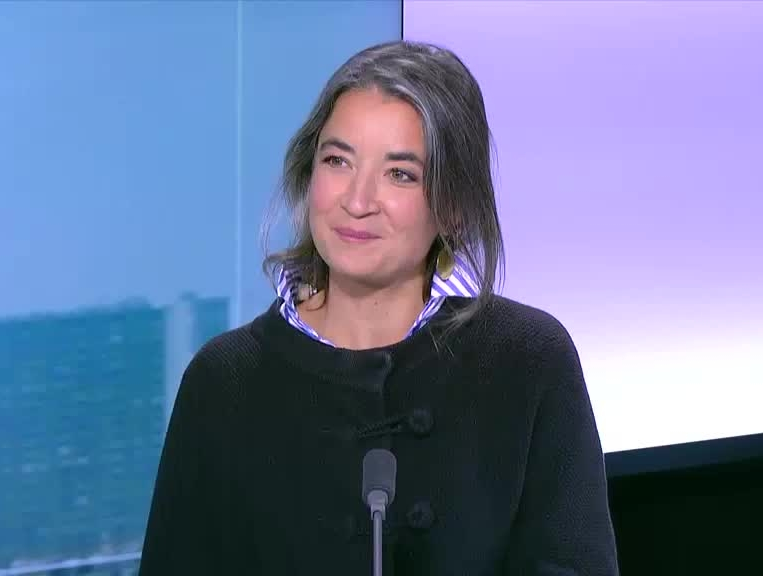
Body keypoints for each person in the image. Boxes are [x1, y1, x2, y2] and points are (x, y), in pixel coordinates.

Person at [139, 40, 619, 575]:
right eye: (338, 161)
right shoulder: (223, 382)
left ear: (454, 207)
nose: (357, 200)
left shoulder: (527, 360)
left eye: (400, 174)